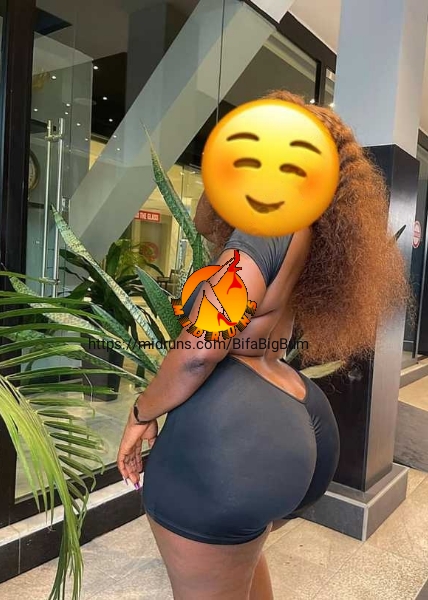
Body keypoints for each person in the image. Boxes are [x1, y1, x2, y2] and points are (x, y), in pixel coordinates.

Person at [117, 90, 410, 600]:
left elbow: (201, 349)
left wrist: (141, 412)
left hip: (235, 431)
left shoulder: (265, 222)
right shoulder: (308, 226)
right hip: (289, 410)